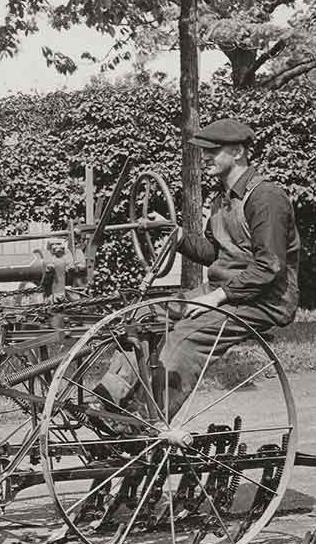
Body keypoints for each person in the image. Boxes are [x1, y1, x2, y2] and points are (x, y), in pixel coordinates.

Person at [91, 119, 301, 440]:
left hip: (263, 300)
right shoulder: (222, 199)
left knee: (186, 335)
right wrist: (175, 235)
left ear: (239, 152)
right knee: (145, 316)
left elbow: (269, 266)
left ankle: (143, 418)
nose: (205, 157)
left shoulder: (266, 198)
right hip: (224, 291)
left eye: (212, 150)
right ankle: (111, 398)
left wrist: (216, 299)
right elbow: (214, 252)